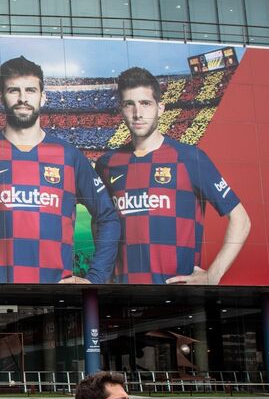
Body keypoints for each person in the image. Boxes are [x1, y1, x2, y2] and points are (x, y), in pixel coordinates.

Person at [0, 56, 121, 284]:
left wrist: (95, 278)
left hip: (57, 298)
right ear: (0, 97)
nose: (23, 98)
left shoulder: (69, 156)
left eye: (31, 90)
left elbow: (107, 216)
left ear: (43, 97)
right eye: (14, 90)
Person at [96, 67, 250, 285]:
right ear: (121, 109)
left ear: (160, 108)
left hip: (179, 298)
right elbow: (102, 222)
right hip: (124, 297)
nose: (137, 113)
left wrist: (212, 275)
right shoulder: (107, 164)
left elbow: (241, 220)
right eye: (129, 104)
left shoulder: (189, 158)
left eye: (145, 103)